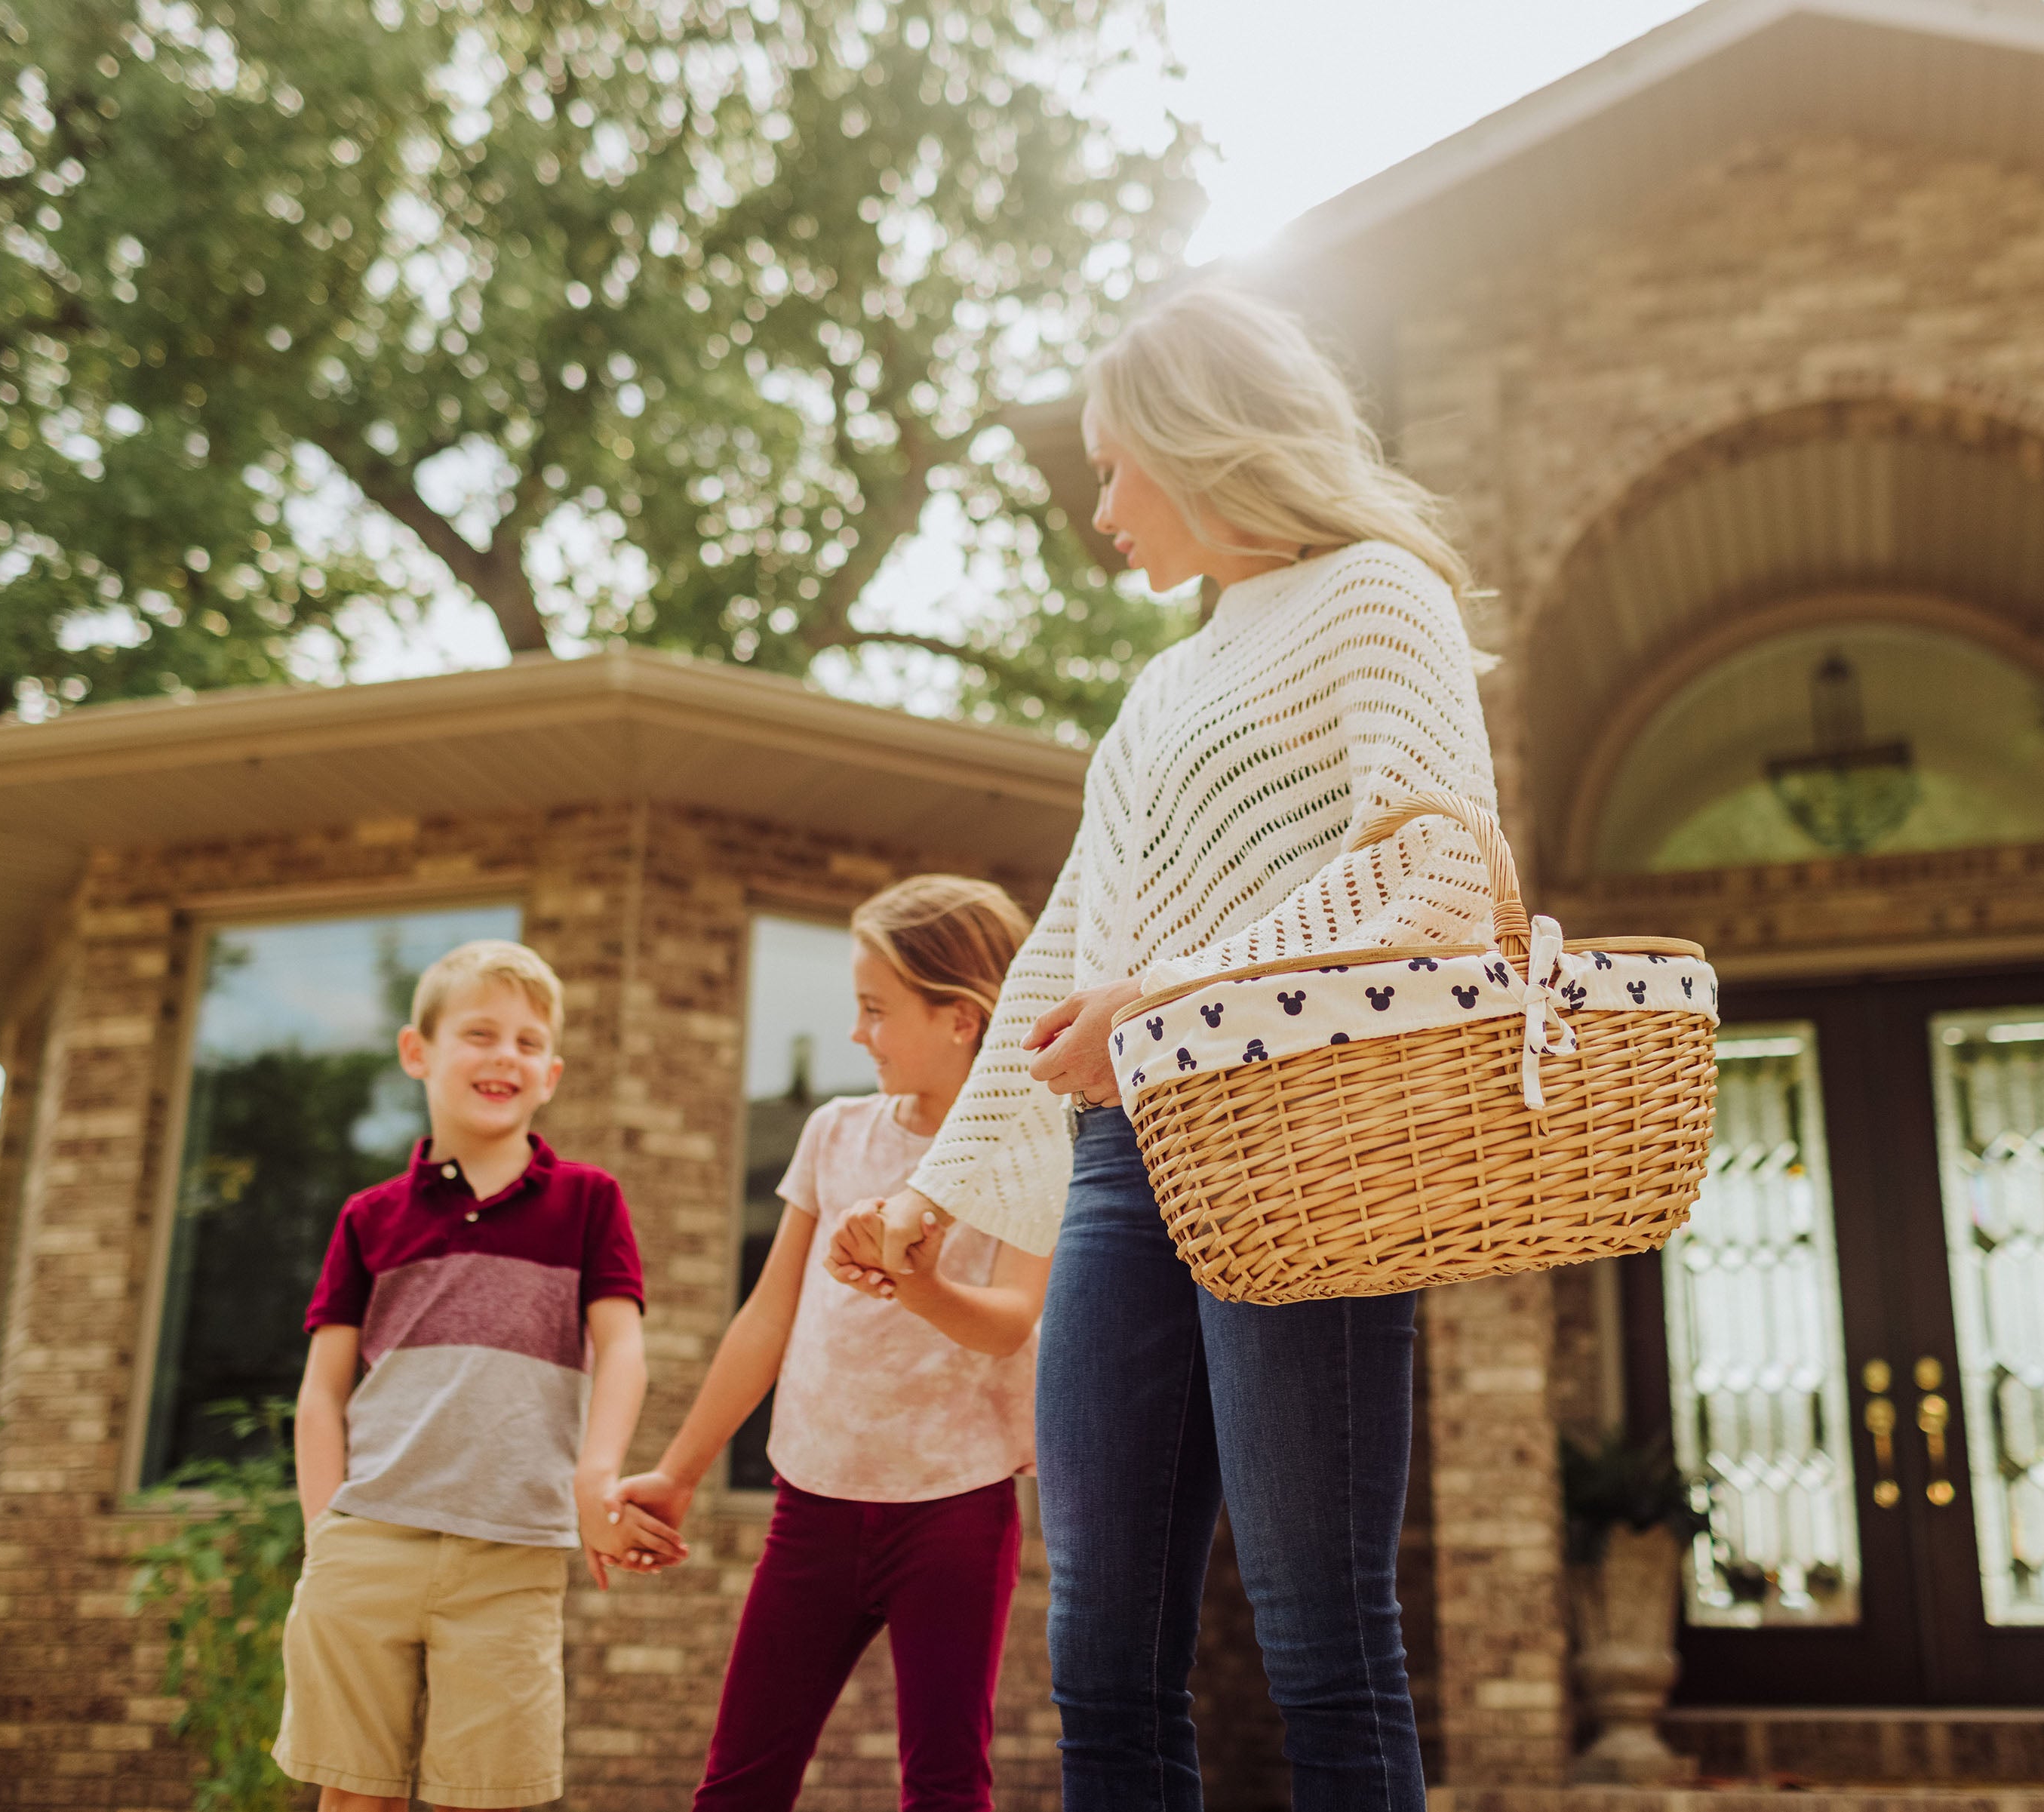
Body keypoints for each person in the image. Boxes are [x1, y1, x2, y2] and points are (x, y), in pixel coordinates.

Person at [827, 284, 1497, 1810]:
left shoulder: (1379, 595)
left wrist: (1174, 995)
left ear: (1207, 446)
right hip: (1128, 1162)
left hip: (1301, 1142)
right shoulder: (1163, 682)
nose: (1106, 507)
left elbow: (1439, 875)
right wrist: (932, 1191)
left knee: (1325, 1645)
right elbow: (1071, 942)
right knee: (1102, 1661)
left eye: (1118, 466)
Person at [601, 876, 1050, 1812]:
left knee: (944, 1788)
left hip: (955, 1513)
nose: (858, 1034)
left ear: (962, 1017)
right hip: (811, 1507)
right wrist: (679, 1474)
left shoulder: (1025, 1145)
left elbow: (1012, 1322)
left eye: (877, 1011)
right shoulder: (833, 1132)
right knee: (736, 1787)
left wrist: (920, 1287)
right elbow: (767, 1319)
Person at [275, 939, 672, 1811]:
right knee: (354, 1794)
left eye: (529, 1042)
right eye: (481, 1032)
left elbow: (625, 1349)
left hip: (512, 1552)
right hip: (368, 1540)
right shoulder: (368, 1217)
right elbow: (322, 1391)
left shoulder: (589, 1200)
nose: (506, 1056)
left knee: (486, 1796)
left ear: (552, 1073)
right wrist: (324, 1534)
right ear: (418, 1052)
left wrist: (594, 1478)